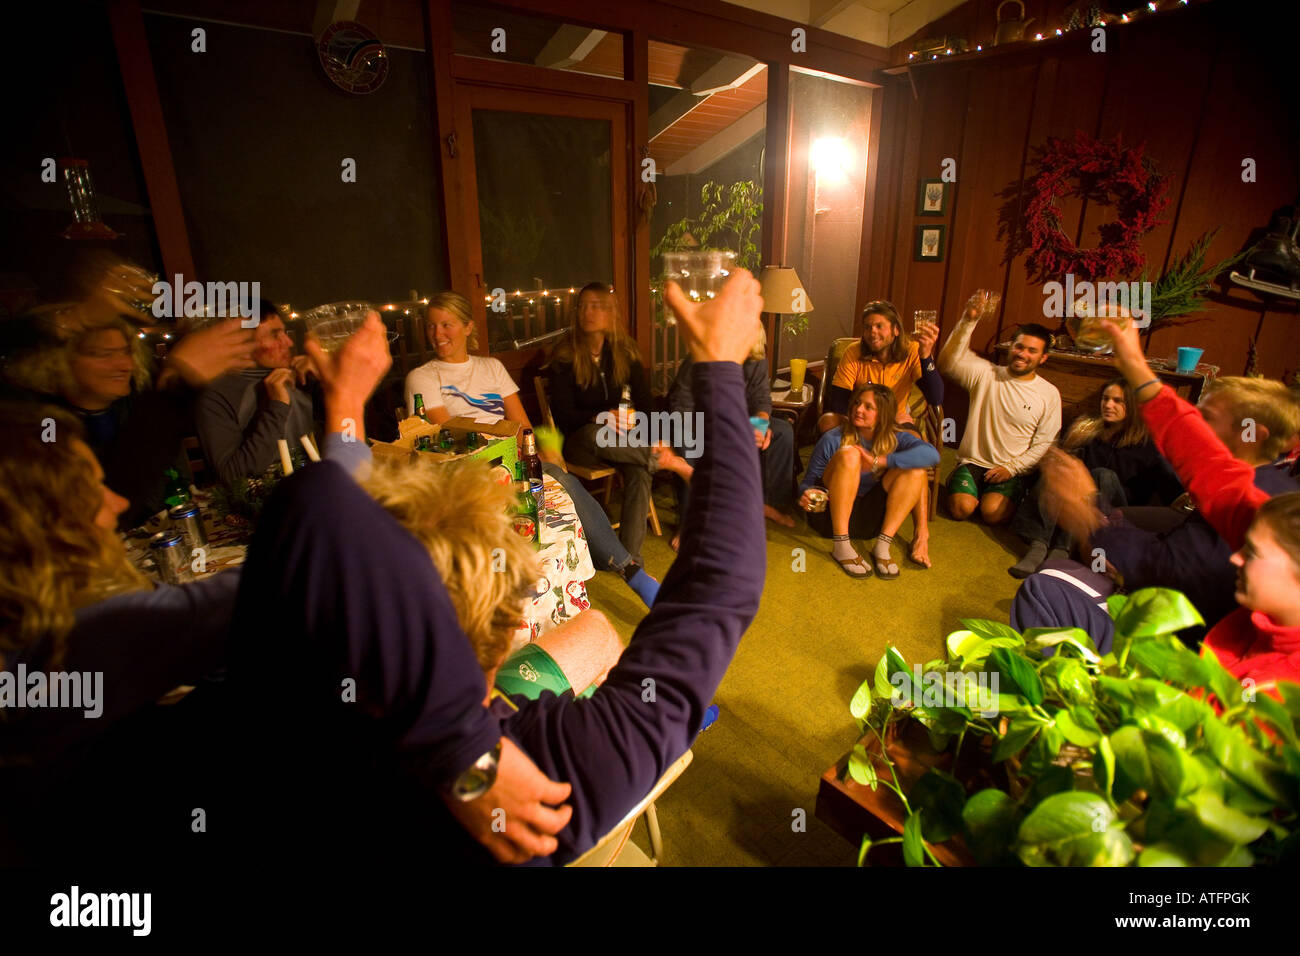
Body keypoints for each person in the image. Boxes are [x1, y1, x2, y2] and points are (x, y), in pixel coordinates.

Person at [227, 269, 766, 864]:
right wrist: (721, 366)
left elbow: (319, 517)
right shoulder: (536, 780)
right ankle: (672, 715)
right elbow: (721, 587)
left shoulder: (273, 678)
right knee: (621, 663)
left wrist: (346, 405)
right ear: (513, 629)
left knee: (593, 630)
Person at [0, 315, 574, 866]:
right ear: (39, 532)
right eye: (92, 491)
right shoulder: (73, 650)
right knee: (590, 639)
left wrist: (342, 409)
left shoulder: (58, 644)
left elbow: (296, 556)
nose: (118, 503)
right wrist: (464, 754)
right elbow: (300, 565)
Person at [1017, 316, 1300, 694]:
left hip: (1178, 646)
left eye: (1210, 417)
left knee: (1044, 587)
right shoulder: (1269, 490)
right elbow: (1205, 463)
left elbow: (1166, 569)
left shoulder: (1275, 690)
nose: (1238, 557)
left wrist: (1088, 513)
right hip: (1183, 620)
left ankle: (1070, 707)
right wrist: (1135, 365)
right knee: (1061, 571)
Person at [403, 291, 659, 607]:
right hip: (466, 468)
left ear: (468, 327)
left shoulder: (491, 367)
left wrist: (541, 450)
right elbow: (452, 433)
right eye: (431, 326)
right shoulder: (423, 377)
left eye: (447, 325)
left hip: (514, 456)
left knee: (563, 482)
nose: (438, 334)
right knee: (551, 482)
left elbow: (522, 424)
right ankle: (625, 568)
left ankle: (628, 569)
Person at [3, 312, 257, 527]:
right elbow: (100, 507)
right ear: (59, 361)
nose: (124, 365)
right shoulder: (44, 427)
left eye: (126, 352)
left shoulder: (135, 404)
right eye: (104, 354)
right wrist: (178, 385)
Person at [1008, 377, 1182, 577]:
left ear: (1132, 407)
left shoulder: (1147, 444)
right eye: (1105, 399)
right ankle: (1039, 544)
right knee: (1065, 463)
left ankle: (1063, 549)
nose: (1108, 405)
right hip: (1081, 503)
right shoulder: (1088, 432)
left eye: (1118, 401)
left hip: (1118, 511)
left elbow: (1170, 488)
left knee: (1102, 475)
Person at [818, 301, 943, 567]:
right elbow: (838, 401)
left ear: (896, 330)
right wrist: (864, 418)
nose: (872, 332)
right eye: (867, 327)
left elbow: (936, 397)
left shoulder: (911, 351)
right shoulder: (854, 352)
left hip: (896, 422)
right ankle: (834, 493)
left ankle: (921, 531)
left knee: (917, 450)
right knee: (828, 422)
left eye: (879, 326)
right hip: (860, 418)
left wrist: (926, 355)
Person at [546, 282, 661, 565]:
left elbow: (646, 404)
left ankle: (629, 559)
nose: (587, 312)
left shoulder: (624, 352)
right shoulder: (564, 355)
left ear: (611, 314)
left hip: (622, 442)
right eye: (583, 305)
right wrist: (600, 416)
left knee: (639, 470)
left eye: (596, 306)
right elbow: (562, 416)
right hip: (580, 441)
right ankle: (663, 458)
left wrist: (638, 421)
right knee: (597, 433)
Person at [939, 291, 1061, 525]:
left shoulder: (1049, 394)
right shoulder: (987, 374)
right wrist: (968, 320)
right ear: (1010, 347)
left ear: (1043, 358)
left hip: (1009, 468)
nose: (1023, 354)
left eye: (1031, 351)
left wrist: (1012, 468)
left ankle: (1004, 493)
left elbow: (1045, 443)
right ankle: (964, 484)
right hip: (973, 461)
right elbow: (948, 362)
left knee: (993, 514)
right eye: (1019, 347)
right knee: (960, 510)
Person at [665, 330, 796, 549]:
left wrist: (760, 425)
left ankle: (767, 505)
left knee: (782, 433)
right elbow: (681, 404)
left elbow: (761, 399)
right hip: (696, 421)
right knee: (687, 442)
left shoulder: (756, 359)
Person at [797, 384, 939, 578]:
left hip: (870, 520)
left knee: (916, 471)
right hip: (830, 517)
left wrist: (882, 460)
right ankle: (841, 545)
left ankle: (883, 546)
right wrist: (806, 494)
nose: (858, 409)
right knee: (850, 454)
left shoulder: (897, 438)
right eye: (857, 403)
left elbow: (932, 455)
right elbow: (808, 483)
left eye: (868, 407)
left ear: (883, 414)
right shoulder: (833, 437)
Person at [196, 299, 319, 484]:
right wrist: (277, 406)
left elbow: (345, 442)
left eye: (284, 332)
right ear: (240, 344)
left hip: (319, 487)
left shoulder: (300, 376)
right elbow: (233, 477)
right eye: (274, 335)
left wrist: (326, 382)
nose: (289, 342)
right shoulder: (215, 396)